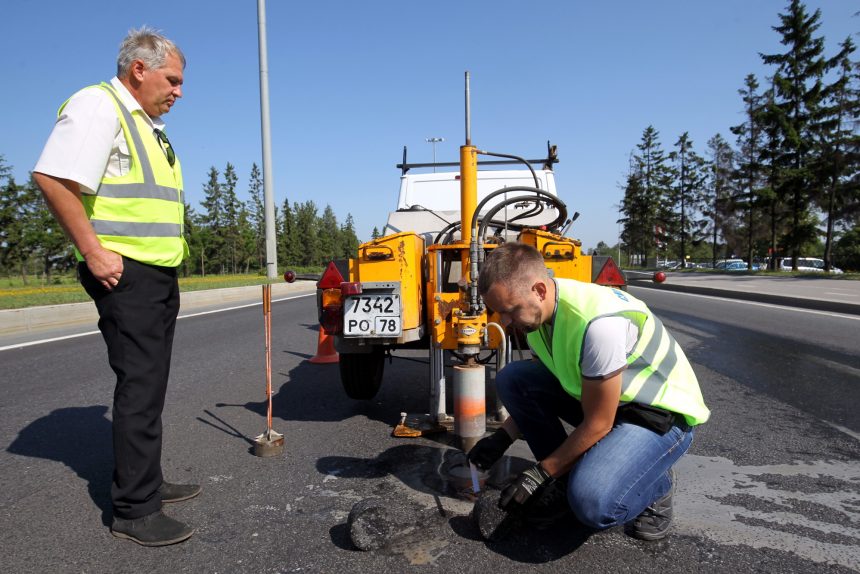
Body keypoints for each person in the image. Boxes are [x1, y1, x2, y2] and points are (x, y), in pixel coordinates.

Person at [33, 27, 199, 547]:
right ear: (139, 70)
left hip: (153, 271)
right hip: (125, 271)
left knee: (149, 386)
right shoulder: (97, 105)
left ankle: (145, 480)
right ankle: (134, 508)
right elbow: (53, 177)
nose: (179, 91)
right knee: (140, 386)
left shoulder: (144, 123)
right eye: (172, 80)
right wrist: (94, 251)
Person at [469, 242, 710, 540]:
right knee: (514, 379)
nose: (504, 322)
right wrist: (501, 438)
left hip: (658, 417)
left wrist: (540, 474)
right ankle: (566, 477)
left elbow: (598, 423)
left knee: (591, 503)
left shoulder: (599, 325)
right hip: (608, 401)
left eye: (509, 311)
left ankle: (656, 483)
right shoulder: (537, 318)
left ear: (540, 290)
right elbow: (553, 381)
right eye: (499, 313)